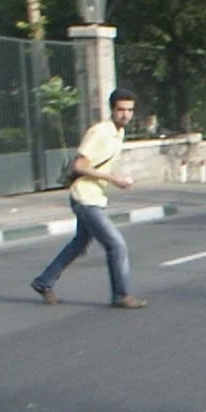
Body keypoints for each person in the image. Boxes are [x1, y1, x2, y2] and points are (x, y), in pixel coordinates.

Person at [31, 88, 147, 309]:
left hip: (93, 196)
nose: (125, 115)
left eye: (130, 110)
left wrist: (116, 178)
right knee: (116, 245)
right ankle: (121, 295)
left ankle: (44, 282)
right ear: (112, 109)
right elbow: (80, 165)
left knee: (79, 244)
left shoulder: (118, 132)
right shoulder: (100, 132)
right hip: (84, 197)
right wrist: (113, 178)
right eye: (121, 109)